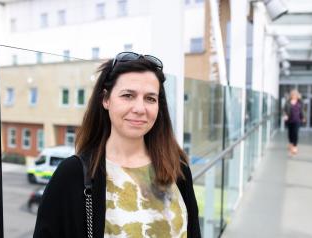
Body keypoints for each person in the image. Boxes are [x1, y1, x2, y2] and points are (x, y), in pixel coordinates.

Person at [33, 52, 201, 237]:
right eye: (128, 95)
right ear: (106, 99)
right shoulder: (73, 174)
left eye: (150, 98)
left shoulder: (177, 169)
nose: (139, 109)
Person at [283, 89, 305, 156]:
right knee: (290, 134)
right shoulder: (288, 102)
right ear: (291, 95)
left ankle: (295, 146)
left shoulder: (300, 102)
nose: (294, 96)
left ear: (297, 95)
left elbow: (302, 111)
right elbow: (284, 110)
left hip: (297, 120)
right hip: (289, 120)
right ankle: (290, 143)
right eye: (293, 94)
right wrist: (285, 115)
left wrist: (303, 117)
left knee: (295, 133)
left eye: (295, 94)